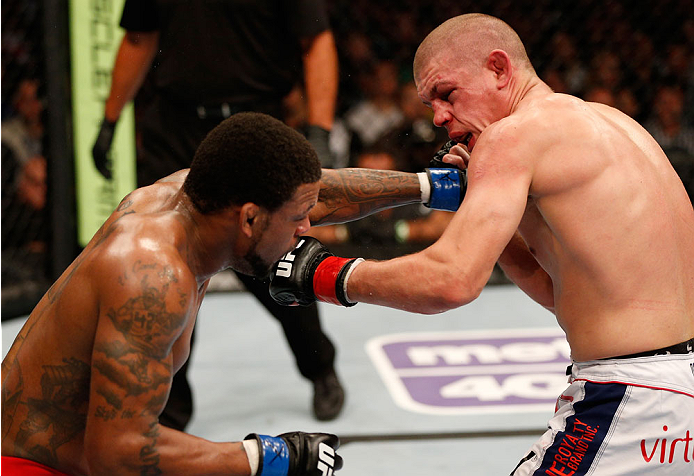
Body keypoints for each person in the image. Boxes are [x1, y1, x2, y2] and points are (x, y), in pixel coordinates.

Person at [268, 14, 694, 476]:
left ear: (499, 68)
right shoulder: (613, 124)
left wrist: (325, 274)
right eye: (429, 103)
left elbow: (451, 281)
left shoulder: (514, 136)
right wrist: (478, 199)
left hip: (633, 395)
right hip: (674, 389)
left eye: (447, 93)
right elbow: (565, 294)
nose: (437, 117)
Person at [91, 0, 344, 427]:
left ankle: (319, 365)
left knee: (274, 259)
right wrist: (110, 119)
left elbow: (315, 40)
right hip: (174, 127)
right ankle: (169, 408)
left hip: (255, 124)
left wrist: (319, 130)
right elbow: (138, 37)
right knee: (166, 264)